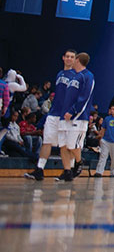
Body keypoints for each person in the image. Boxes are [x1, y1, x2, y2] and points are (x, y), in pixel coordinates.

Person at [23, 50, 77, 181]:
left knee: (64, 145)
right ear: (63, 58)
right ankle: (40, 170)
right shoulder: (60, 74)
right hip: (53, 114)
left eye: (72, 57)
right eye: (67, 56)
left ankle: (68, 171)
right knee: (46, 142)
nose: (69, 59)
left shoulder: (76, 76)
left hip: (65, 116)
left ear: (75, 60)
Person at [56, 52, 95, 181]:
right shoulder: (74, 76)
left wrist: (73, 111)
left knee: (72, 145)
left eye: (74, 58)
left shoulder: (88, 76)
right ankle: (67, 171)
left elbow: (85, 97)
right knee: (63, 145)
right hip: (64, 115)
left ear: (77, 60)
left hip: (77, 117)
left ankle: (79, 162)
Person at [95, 104, 114, 177]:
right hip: (106, 140)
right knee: (103, 156)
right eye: (111, 109)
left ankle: (113, 172)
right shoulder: (107, 118)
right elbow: (103, 129)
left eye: (113, 109)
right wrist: (101, 138)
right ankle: (99, 172)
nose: (112, 111)